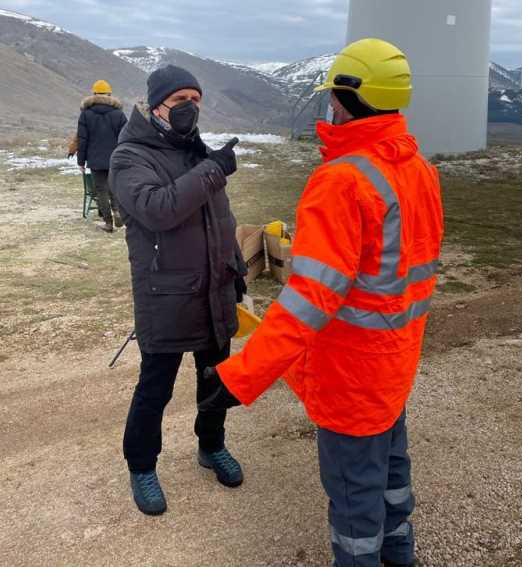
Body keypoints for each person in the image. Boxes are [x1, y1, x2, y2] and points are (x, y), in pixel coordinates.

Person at [202, 39, 444, 567]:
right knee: (391, 475)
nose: (329, 105)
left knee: (355, 499)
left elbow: (309, 302)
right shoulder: (418, 170)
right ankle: (401, 553)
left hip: (352, 376)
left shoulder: (341, 181)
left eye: (333, 95)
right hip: (396, 363)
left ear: (348, 98)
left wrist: (239, 377)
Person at [109, 65, 248, 516]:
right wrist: (212, 171)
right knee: (156, 388)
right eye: (180, 100)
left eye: (197, 98)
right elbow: (158, 209)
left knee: (215, 378)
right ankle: (142, 466)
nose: (191, 108)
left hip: (214, 289)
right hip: (166, 295)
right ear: (156, 107)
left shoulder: (194, 150)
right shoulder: (130, 156)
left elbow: (218, 220)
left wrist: (235, 264)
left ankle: (211, 445)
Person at [77, 80, 127, 232]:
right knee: (115, 188)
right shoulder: (119, 114)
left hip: (95, 159)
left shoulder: (86, 114)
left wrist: (81, 161)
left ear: (94, 94)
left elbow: (82, 139)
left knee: (101, 190)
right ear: (110, 94)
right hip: (116, 158)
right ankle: (117, 211)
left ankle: (108, 223)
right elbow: (126, 138)